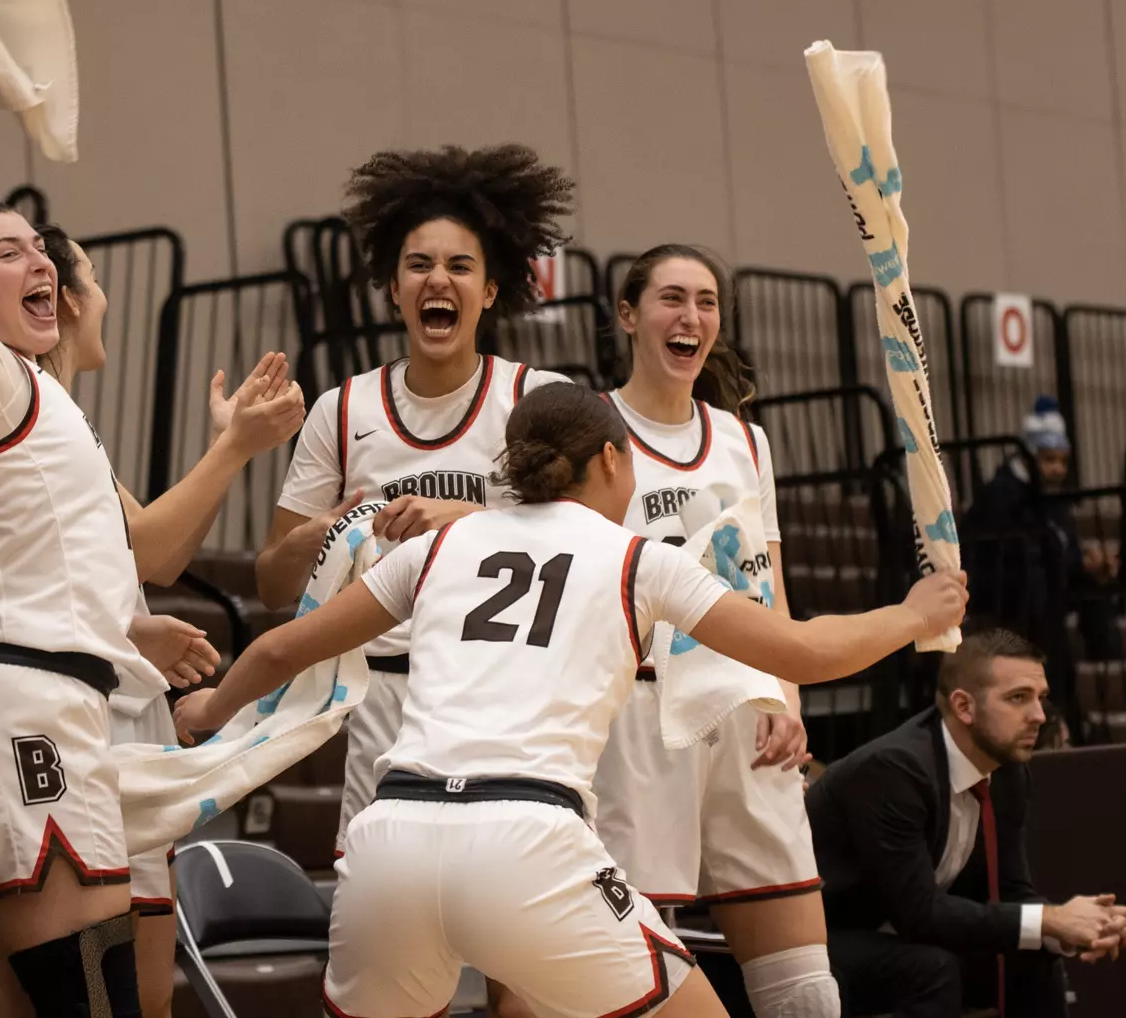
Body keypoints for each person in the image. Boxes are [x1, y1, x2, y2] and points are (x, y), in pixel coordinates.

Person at [176, 382, 968, 1018]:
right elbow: (802, 651)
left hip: (392, 841)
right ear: (615, 461)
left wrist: (208, 712)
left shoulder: (442, 543)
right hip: (527, 840)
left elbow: (282, 644)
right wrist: (913, 614)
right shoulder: (634, 559)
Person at [0, 0, 301, 1017]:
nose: (39, 260)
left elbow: (89, 550)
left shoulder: (44, 405)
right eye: (6, 251)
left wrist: (123, 626)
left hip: (57, 696)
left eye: (42, 246)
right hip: (18, 709)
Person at [254, 144, 573, 863]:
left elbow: (593, 536)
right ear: (393, 287)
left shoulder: (534, 400)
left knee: (509, 939)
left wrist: (460, 517)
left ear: (491, 290)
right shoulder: (341, 411)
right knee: (379, 932)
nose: (439, 280)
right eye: (418, 264)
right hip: (383, 699)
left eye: (460, 266)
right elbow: (272, 583)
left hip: (506, 693)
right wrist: (325, 533)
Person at [35, 224, 292, 1018]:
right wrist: (235, 451)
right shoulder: (38, 415)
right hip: (74, 721)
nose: (106, 297)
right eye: (97, 280)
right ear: (73, 301)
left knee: (140, 986)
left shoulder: (68, 422)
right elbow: (145, 551)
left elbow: (157, 558)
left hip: (112, 709)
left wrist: (228, 449)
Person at [590, 244, 838, 1017]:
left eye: (704, 301)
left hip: (745, 711)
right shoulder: (590, 425)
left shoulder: (745, 440)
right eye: (669, 298)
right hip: (641, 715)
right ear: (629, 316)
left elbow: (770, 587)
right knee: (641, 981)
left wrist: (788, 697)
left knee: (806, 993)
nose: (689, 316)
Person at [807, 629, 1126, 1018]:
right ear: (964, 707)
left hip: (903, 933)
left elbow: (1010, 889)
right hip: (823, 934)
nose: (1040, 716)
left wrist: (1071, 926)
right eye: (1018, 698)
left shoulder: (1007, 771)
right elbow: (919, 912)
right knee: (931, 968)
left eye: (1040, 698)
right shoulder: (895, 771)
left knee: (1032, 954)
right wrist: (1051, 920)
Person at [964, 395, 1120, 658]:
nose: (1058, 469)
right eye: (1049, 460)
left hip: (1046, 573)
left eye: (1063, 461)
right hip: (1001, 581)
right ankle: (1053, 673)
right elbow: (1018, 550)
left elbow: (1061, 543)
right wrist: (1076, 561)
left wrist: (1088, 562)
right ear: (1029, 458)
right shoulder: (1002, 493)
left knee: (1092, 583)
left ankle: (1106, 661)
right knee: (1038, 581)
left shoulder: (1052, 497)